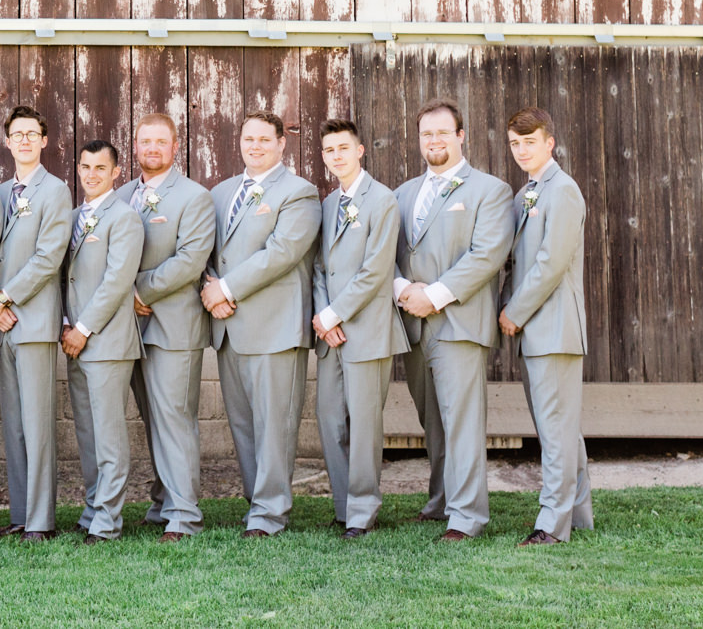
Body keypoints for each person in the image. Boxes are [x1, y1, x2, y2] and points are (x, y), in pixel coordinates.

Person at [393, 98, 515, 542]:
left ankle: (467, 517)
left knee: (461, 421)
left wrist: (436, 296)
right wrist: (402, 290)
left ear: (461, 136)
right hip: (413, 322)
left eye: (443, 132)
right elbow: (384, 252)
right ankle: (441, 500)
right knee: (434, 421)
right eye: (427, 134)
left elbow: (487, 256)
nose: (435, 141)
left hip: (458, 322)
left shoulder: (490, 190)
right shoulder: (403, 193)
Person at [200, 111, 319, 538]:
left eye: (264, 140)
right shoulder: (221, 192)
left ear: (281, 143)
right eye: (248, 139)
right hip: (229, 327)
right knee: (244, 425)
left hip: (273, 327)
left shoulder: (299, 193)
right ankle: (257, 504)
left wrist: (226, 289)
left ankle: (271, 515)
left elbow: (282, 253)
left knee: (274, 425)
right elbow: (203, 249)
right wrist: (208, 288)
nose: (255, 146)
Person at [116, 111, 215, 542]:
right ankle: (162, 502)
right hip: (130, 328)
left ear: (176, 147)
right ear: (135, 146)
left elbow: (191, 261)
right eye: (145, 142)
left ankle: (183, 515)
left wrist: (139, 291)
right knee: (152, 418)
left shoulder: (194, 197)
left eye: (161, 142)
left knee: (175, 417)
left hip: (173, 324)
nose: (152, 149)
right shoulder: (120, 195)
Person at [499, 106, 593, 546]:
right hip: (536, 331)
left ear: (549, 143)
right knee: (560, 429)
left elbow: (551, 263)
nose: (521, 150)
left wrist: (514, 311)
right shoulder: (526, 195)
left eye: (529, 142)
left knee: (555, 431)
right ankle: (578, 516)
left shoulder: (564, 191)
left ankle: (551, 527)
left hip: (553, 326)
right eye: (515, 144)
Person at [0, 104, 74, 542]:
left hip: (33, 320)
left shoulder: (55, 191)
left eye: (31, 134)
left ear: (44, 140)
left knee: (37, 424)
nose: (23, 140)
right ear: (6, 140)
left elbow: (48, 257)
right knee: (14, 422)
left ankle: (40, 520)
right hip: (4, 323)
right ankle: (19, 514)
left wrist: (4, 297)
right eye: (16, 134)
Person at [310, 120, 406, 539]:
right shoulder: (329, 203)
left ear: (360, 150)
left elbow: (376, 271)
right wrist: (322, 316)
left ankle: (363, 511)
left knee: (364, 422)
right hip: (329, 334)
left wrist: (334, 315)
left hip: (367, 330)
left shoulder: (382, 200)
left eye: (343, 148)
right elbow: (318, 268)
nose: (336, 156)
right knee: (330, 419)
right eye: (329, 150)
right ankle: (343, 505)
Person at [61, 141, 143, 543]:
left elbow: (117, 282)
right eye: (85, 167)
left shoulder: (124, 218)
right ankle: (93, 507)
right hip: (74, 339)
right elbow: (66, 278)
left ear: (116, 172)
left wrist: (84, 328)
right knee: (88, 433)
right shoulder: (74, 216)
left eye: (100, 168)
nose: (91, 175)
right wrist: (65, 323)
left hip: (106, 341)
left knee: (109, 434)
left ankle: (108, 520)